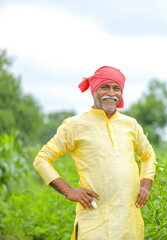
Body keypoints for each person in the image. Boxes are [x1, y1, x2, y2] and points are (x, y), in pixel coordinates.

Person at [33, 66, 156, 240]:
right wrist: (68, 191)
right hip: (94, 217)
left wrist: (145, 184)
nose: (111, 93)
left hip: (128, 221)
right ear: (94, 90)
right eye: (105, 87)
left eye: (116, 88)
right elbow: (41, 159)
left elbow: (148, 155)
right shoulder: (74, 125)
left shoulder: (131, 125)